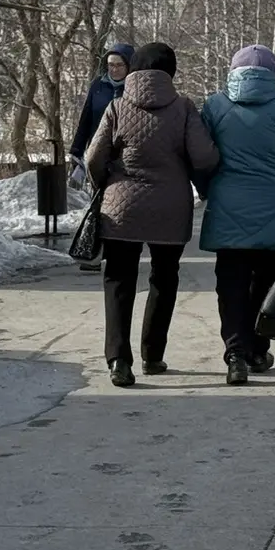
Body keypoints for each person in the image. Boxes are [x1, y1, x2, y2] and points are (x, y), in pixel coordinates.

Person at [83, 41, 218, 388]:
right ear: (170, 71)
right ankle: (153, 355)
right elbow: (203, 157)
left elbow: (93, 158)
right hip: (170, 206)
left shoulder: (116, 106)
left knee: (118, 279)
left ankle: (118, 361)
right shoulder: (184, 107)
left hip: (121, 206)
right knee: (164, 277)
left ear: (134, 70)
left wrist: (107, 184)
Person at [200, 46, 275, 386]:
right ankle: (257, 350)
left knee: (230, 284)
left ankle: (235, 354)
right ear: (274, 74)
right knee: (266, 281)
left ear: (233, 72)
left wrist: (208, 188)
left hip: (228, 205)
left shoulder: (215, 106)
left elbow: (202, 156)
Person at [69, 42, 134, 273]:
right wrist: (76, 150)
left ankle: (116, 253)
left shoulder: (135, 88)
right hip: (97, 154)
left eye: (118, 65)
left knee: (118, 206)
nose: (113, 70)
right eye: (110, 65)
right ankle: (94, 252)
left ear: (129, 66)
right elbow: (86, 118)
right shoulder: (99, 85)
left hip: (124, 157)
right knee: (97, 204)